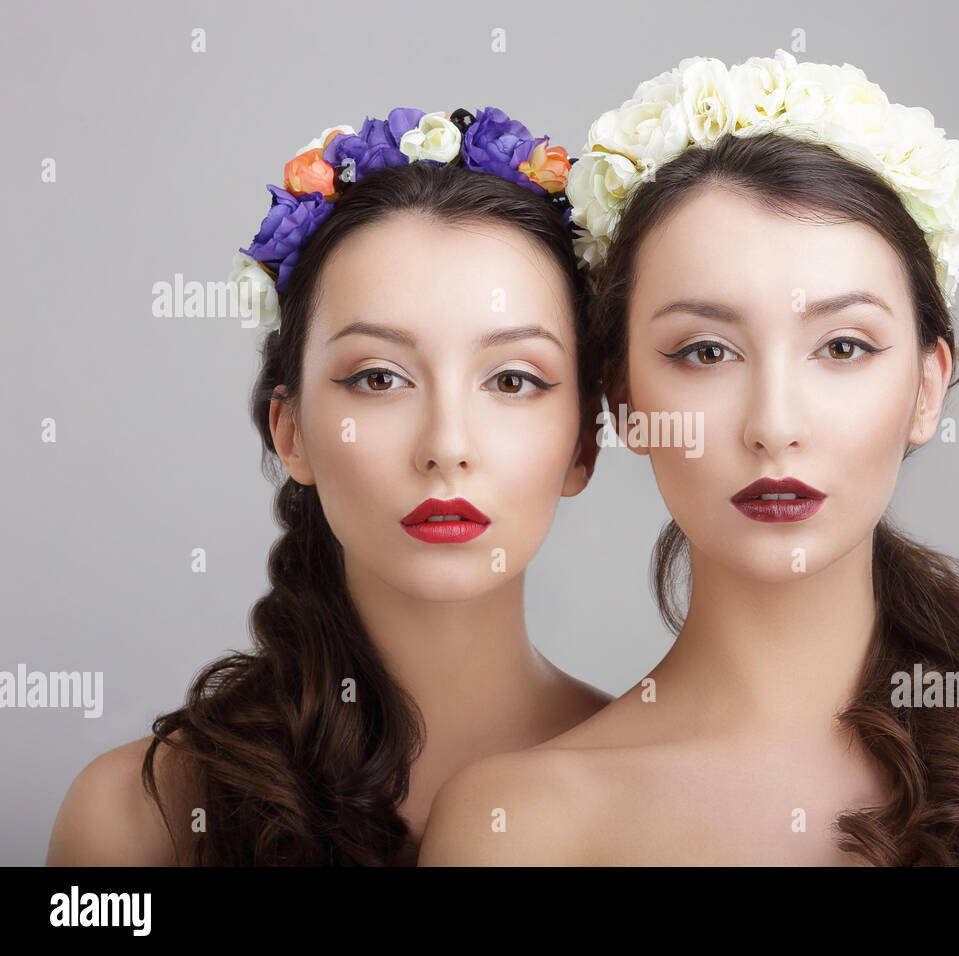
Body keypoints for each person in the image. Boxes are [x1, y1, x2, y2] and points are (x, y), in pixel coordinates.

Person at [420, 54, 959, 865]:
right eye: (706, 352)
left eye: (843, 346)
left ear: (926, 387)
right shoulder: (516, 826)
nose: (774, 427)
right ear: (624, 398)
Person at [46, 106, 610, 865]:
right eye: (379, 377)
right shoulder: (139, 815)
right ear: (292, 433)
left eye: (512, 380)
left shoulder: (659, 800)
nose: (447, 446)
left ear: (582, 444)